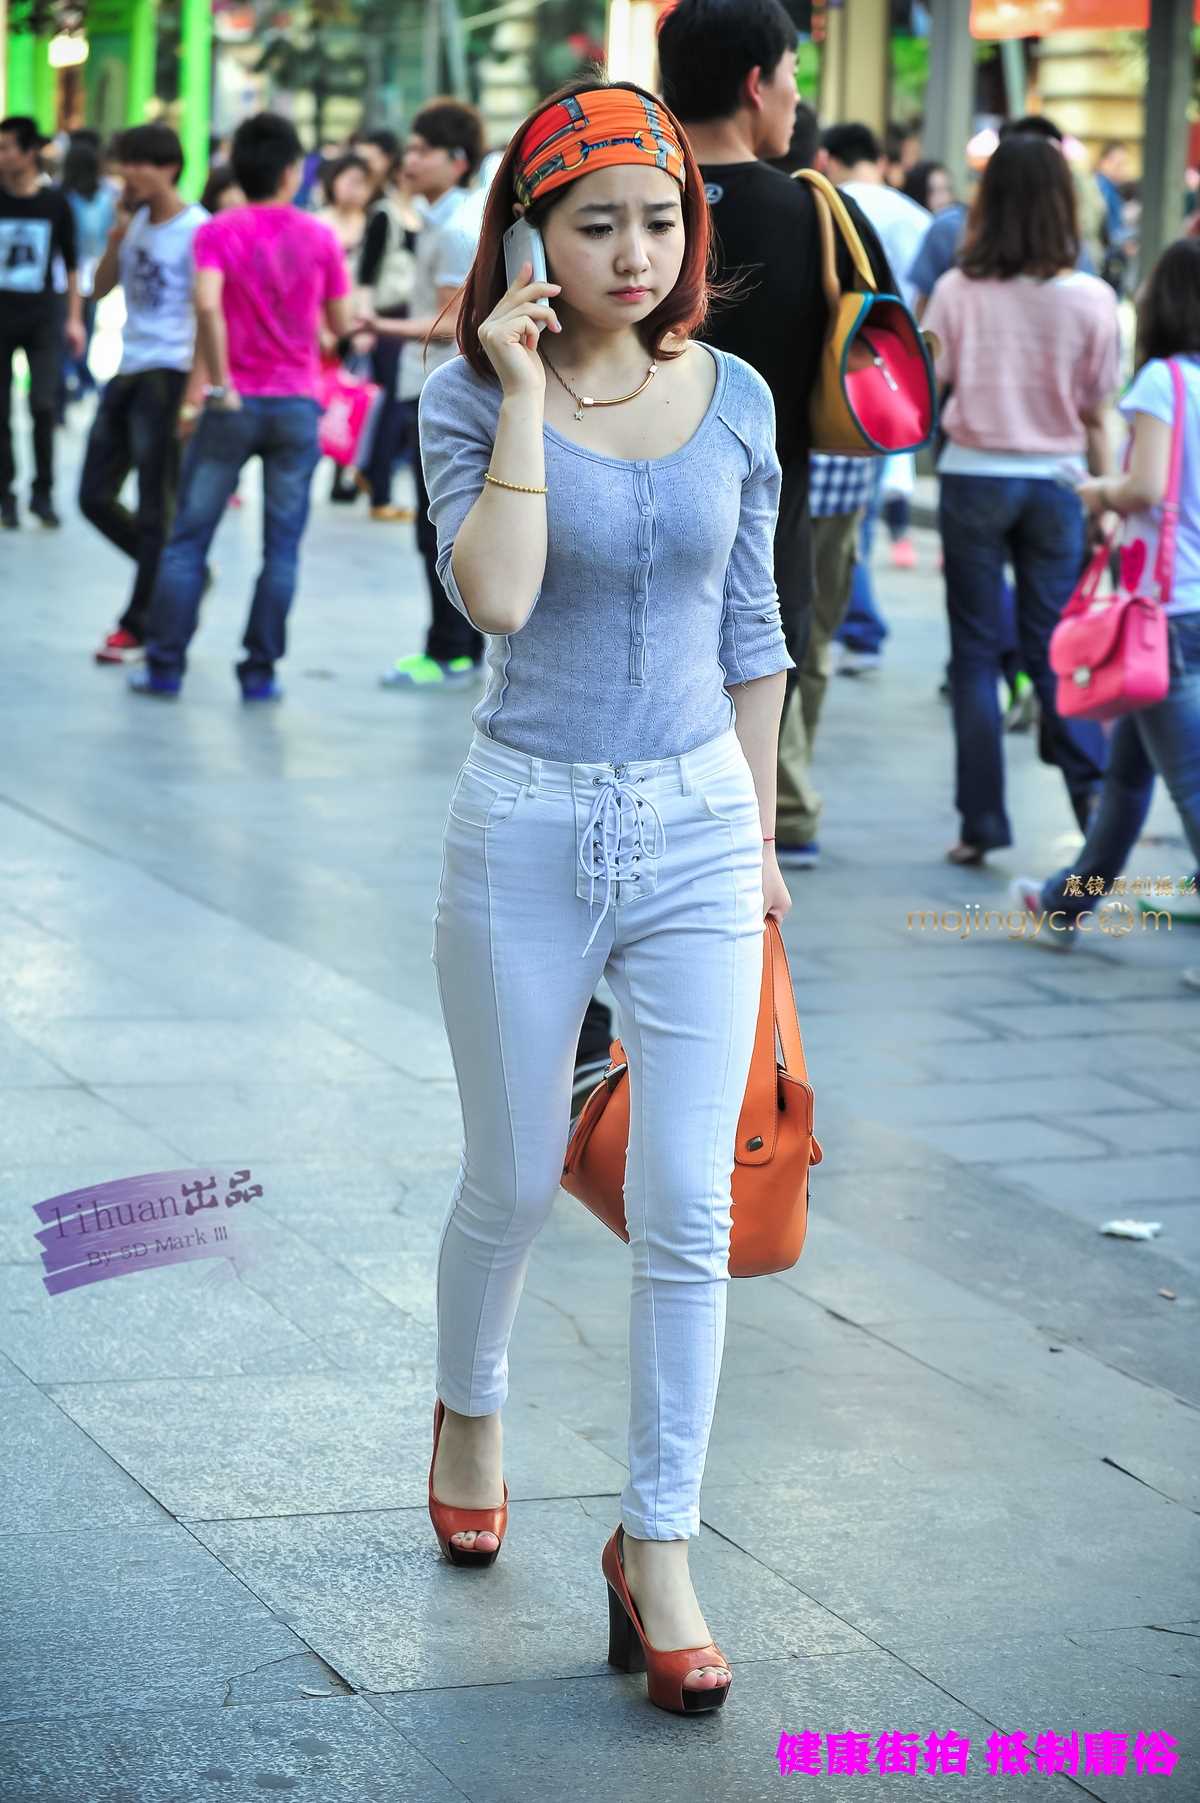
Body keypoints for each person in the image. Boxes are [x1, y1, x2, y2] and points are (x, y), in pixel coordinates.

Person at [419, 76, 794, 1714]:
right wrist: (518, 387)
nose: (635, 253)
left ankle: (659, 1544)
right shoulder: (464, 397)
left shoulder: (737, 395)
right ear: (530, 238)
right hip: (525, 816)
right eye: (594, 226)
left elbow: (754, 630)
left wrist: (759, 839)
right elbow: (497, 598)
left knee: (689, 1206)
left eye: (659, 220)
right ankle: (469, 1402)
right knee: (510, 1178)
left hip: (699, 824)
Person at [923, 132, 1119, 865]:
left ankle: (981, 825)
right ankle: (1091, 800)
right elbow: (1097, 414)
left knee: (976, 654)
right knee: (1057, 650)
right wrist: (1104, 499)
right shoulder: (1093, 299)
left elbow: (930, 384)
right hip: (1058, 483)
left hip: (973, 474)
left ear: (989, 204)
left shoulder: (956, 290)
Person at [1009, 238, 1200, 960]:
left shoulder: (1163, 382)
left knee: (1189, 787)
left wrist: (1099, 492)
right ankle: (1065, 902)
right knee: (1126, 776)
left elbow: (1146, 486)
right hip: (1185, 608)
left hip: (1165, 615)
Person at [129, 112, 351, 701]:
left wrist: (220, 381)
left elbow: (206, 303)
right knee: (281, 549)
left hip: (232, 405)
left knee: (188, 540)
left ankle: (164, 667)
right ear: (291, 171)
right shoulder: (319, 236)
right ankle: (259, 673)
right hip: (295, 405)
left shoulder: (217, 231)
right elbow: (341, 323)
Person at [364, 97, 486, 689]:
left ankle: (452, 651)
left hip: (443, 390)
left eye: (422, 150)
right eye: (409, 149)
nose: (409, 160)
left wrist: (375, 325)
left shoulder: (460, 230)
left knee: (441, 527)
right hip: (431, 385)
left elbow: (451, 323)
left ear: (457, 160)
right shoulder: (440, 220)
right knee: (436, 526)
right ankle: (452, 647)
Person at [80, 123, 208, 665]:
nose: (127, 173)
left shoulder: (197, 229)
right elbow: (99, 289)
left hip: (170, 373)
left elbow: (208, 315)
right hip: (128, 368)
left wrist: (194, 395)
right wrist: (116, 236)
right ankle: (180, 573)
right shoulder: (130, 223)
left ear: (168, 167)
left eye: (139, 162)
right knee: (92, 496)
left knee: (158, 508)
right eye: (124, 162)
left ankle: (140, 623)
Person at [0, 114, 85, 529]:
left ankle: (43, 493)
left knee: (43, 404)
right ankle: (5, 495)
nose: (1, 156)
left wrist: (75, 318)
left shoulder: (55, 203)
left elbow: (71, 264)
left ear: (30, 152)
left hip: (43, 317)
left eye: (6, 148)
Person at [355, 135, 421, 522]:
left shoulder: (425, 215)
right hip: (385, 319)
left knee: (400, 405)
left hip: (413, 319)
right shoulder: (385, 214)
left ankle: (370, 474)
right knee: (392, 406)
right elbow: (365, 274)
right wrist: (365, 325)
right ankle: (378, 489)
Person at [58, 131, 115, 407]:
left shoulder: (63, 198)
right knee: (84, 329)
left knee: (70, 330)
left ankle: (75, 376)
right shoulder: (103, 198)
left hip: (69, 275)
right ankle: (79, 377)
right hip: (88, 273)